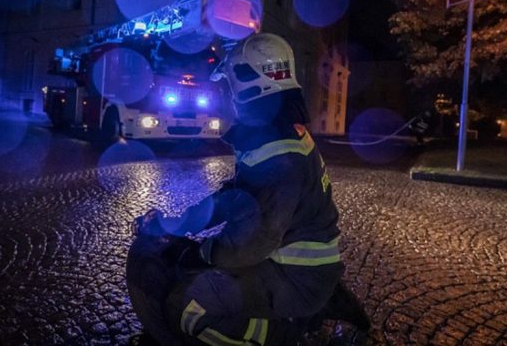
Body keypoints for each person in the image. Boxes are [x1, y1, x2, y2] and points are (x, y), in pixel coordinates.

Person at [127, 33, 369, 345]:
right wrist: (178, 223)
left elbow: (254, 242)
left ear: (248, 84)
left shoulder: (280, 154)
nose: (227, 95)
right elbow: (235, 198)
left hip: (296, 276)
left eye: (229, 85)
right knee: (192, 280)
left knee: (188, 307)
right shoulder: (277, 132)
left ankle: (291, 335)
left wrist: (196, 253)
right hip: (289, 265)